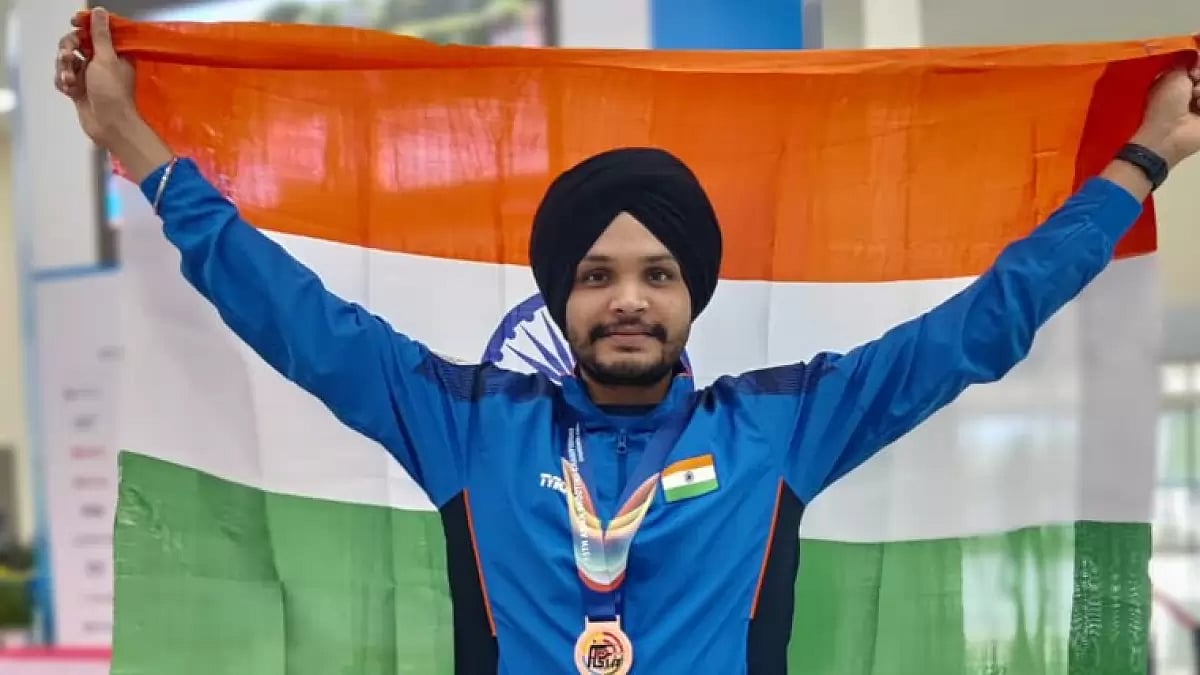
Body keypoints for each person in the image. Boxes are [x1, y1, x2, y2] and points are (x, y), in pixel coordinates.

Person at [55, 7, 1200, 675]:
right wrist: (136, 144)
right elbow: (289, 314)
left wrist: (1141, 165)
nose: (629, 300)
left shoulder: (783, 424)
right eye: (596, 278)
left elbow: (983, 324)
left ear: (693, 295)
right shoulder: (466, 425)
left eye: (657, 274)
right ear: (561, 303)